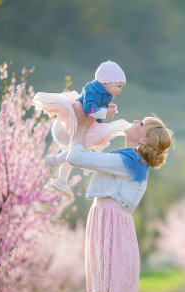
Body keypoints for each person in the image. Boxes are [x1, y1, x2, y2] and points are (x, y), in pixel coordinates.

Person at [48, 117, 182, 292]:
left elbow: (78, 157)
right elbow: (79, 155)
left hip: (113, 236)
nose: (134, 121)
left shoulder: (129, 162)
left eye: (141, 123)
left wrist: (81, 126)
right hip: (103, 230)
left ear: (143, 140)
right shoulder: (126, 159)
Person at [33, 60, 130, 198]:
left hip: (82, 124)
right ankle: (54, 162)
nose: (120, 90)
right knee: (76, 149)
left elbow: (96, 107)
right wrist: (105, 113)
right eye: (119, 86)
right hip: (71, 123)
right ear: (106, 81)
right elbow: (88, 108)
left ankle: (61, 179)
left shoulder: (104, 91)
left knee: (76, 150)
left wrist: (107, 108)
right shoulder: (93, 89)